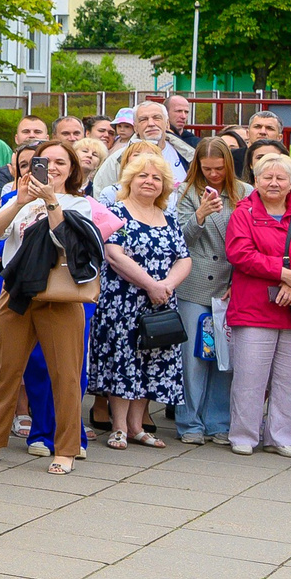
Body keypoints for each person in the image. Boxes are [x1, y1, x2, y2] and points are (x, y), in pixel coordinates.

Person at [0, 144, 102, 473]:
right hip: (16, 293)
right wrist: (20, 200)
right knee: (6, 372)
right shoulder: (20, 200)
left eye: (61, 162)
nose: (53, 168)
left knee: (65, 375)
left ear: (73, 169)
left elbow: (65, 242)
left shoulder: (79, 203)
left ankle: (66, 449)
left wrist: (49, 200)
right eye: (46, 162)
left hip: (58, 296)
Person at [223, 148, 291, 458]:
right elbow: (240, 253)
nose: (273, 182)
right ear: (255, 180)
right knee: (249, 377)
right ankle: (244, 434)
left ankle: (285, 437)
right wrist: (283, 274)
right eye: (267, 177)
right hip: (254, 307)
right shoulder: (243, 212)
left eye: (281, 177)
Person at [86, 150, 191, 449]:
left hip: (160, 301)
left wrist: (166, 285)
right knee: (123, 360)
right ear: (129, 180)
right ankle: (118, 426)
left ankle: (136, 425)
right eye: (143, 175)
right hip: (123, 302)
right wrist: (149, 284)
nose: (149, 181)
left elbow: (184, 258)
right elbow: (113, 255)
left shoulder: (169, 217)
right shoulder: (116, 212)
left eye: (156, 177)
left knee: (151, 360)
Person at [170, 138, 244, 444]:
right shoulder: (186, 193)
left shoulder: (244, 193)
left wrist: (237, 280)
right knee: (194, 357)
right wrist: (199, 214)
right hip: (195, 283)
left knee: (223, 356)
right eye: (206, 168)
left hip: (230, 285)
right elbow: (180, 238)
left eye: (218, 168)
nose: (213, 174)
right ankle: (190, 422)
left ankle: (218, 421)